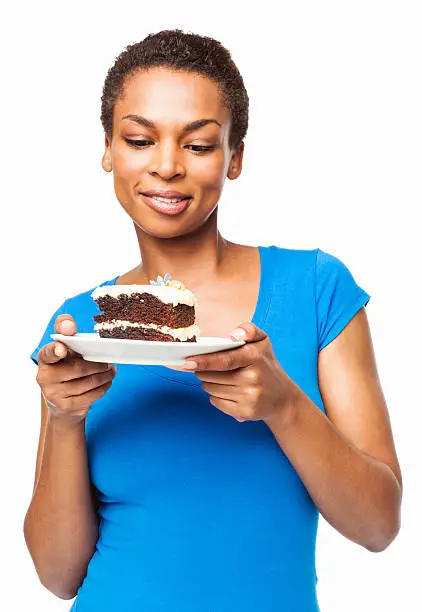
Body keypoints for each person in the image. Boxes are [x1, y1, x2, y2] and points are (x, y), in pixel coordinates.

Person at [24, 30, 402, 612]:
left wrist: (284, 406)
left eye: (199, 146)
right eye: (139, 139)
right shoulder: (81, 324)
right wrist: (63, 416)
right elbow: (57, 575)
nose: (167, 167)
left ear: (236, 157)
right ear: (108, 149)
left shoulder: (316, 290)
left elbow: (378, 526)